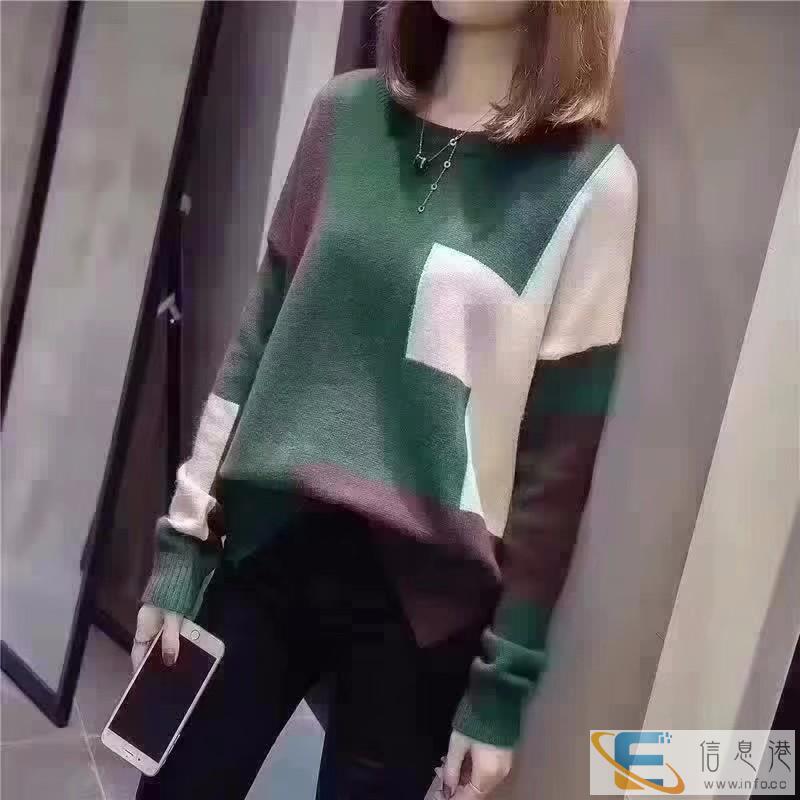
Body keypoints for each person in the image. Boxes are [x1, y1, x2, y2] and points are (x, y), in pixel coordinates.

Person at [134, 1, 637, 798]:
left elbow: (555, 468)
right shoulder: (344, 114)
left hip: (423, 604)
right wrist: (181, 547)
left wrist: (497, 695)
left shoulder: (591, 185)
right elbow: (255, 345)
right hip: (263, 543)